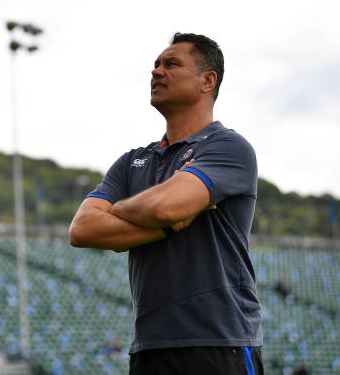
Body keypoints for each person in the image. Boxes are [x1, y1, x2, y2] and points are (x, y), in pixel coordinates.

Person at [69, 33, 263, 374]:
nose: (157, 72)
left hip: (219, 344)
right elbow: (83, 229)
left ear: (208, 80)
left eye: (171, 64)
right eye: (156, 64)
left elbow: (164, 207)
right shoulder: (132, 161)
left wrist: (122, 209)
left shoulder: (228, 147)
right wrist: (164, 224)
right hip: (149, 347)